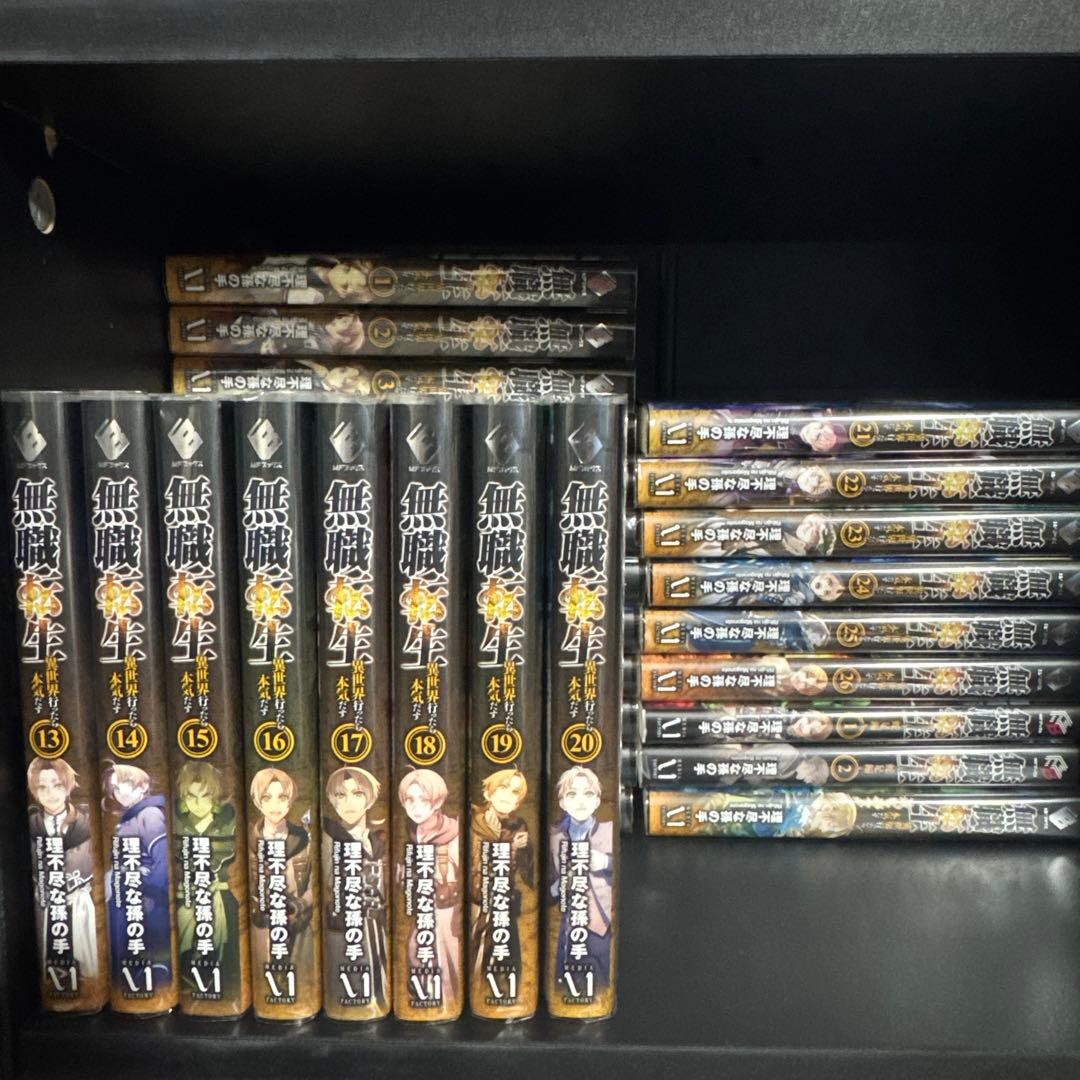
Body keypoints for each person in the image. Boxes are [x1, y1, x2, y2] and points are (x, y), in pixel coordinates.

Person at [26, 757, 99, 979]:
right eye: (42, 787)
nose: (50, 793)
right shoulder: (32, 825)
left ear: (68, 786)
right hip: (46, 906)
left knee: (85, 967)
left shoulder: (86, 822)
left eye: (57, 785)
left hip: (79, 905)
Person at [102, 762, 172, 987]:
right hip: (129, 899)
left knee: (148, 961)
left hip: (145, 903)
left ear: (142, 786)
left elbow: (162, 860)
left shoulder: (149, 815)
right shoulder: (131, 816)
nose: (119, 791)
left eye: (125, 784)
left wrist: (149, 891)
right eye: (115, 787)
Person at [323, 766, 388, 1010]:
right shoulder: (328, 837)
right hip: (342, 928)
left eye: (357, 794)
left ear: (369, 799)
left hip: (375, 929)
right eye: (341, 795)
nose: (349, 802)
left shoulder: (376, 840)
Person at [173, 761, 240, 994]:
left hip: (219, 892)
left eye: (206, 796)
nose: (199, 804)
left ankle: (215, 978)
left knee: (224, 928)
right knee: (183, 920)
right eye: (191, 797)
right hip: (187, 894)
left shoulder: (229, 823)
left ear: (215, 796)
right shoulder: (177, 824)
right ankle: (190, 976)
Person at [398, 769, 461, 999]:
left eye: (424, 800)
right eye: (410, 800)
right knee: (418, 952)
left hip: (446, 912)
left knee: (448, 960)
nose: (416, 807)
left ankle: (446, 1001)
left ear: (437, 802)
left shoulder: (453, 834)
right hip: (424, 908)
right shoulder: (413, 833)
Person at [548, 766, 612, 989]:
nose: (581, 801)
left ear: (597, 800)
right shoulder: (555, 838)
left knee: (600, 984)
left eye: (588, 793)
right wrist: (557, 887)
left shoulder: (608, 831)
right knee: (566, 983)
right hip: (570, 926)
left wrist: (604, 863)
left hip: (601, 927)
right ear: (562, 802)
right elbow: (544, 889)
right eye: (572, 794)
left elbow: (617, 871)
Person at [470, 769, 534, 977]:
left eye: (515, 792)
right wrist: (509, 848)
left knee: (507, 960)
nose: (508, 795)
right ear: (487, 793)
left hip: (504, 904)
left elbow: (527, 872)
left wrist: (524, 848)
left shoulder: (518, 826)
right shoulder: (473, 822)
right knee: (476, 955)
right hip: (476, 904)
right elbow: (476, 864)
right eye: (503, 788)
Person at [249, 768, 314, 967]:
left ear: (290, 800)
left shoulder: (304, 840)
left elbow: (316, 885)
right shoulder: (249, 840)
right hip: (262, 928)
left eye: (282, 797)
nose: (275, 805)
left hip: (299, 924)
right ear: (257, 801)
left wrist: (300, 905)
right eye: (267, 798)